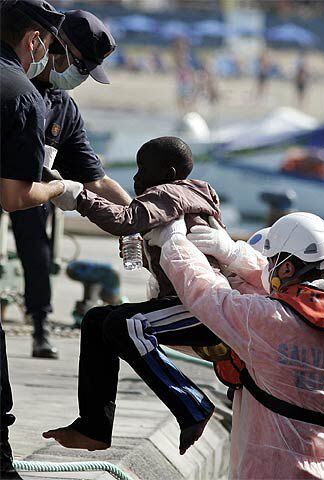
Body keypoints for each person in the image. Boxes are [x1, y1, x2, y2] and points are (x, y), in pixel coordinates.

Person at [42, 136, 226, 455]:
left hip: (202, 306)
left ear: (168, 173)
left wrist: (76, 195)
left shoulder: (170, 193)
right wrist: (146, 254)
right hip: (187, 303)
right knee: (98, 320)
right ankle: (94, 427)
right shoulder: (190, 196)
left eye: (143, 169)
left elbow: (124, 220)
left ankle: (192, 406)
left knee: (124, 325)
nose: (136, 178)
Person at [144, 212, 324, 479]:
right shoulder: (312, 316)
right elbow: (271, 288)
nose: (268, 268)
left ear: (287, 268)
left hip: (269, 470)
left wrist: (173, 242)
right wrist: (232, 254)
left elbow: (206, 294)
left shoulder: (269, 320)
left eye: (272, 261)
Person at [8, 9, 131, 360]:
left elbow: (95, 179)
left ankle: (40, 322)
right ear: (57, 48)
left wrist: (136, 220)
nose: (81, 77)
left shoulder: (64, 110)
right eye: (81, 67)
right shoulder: (12, 86)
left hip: (32, 193)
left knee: (37, 249)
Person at [0, 1, 75, 477]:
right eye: (46, 45)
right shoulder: (21, 94)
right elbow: (15, 195)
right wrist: (60, 187)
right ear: (33, 40)